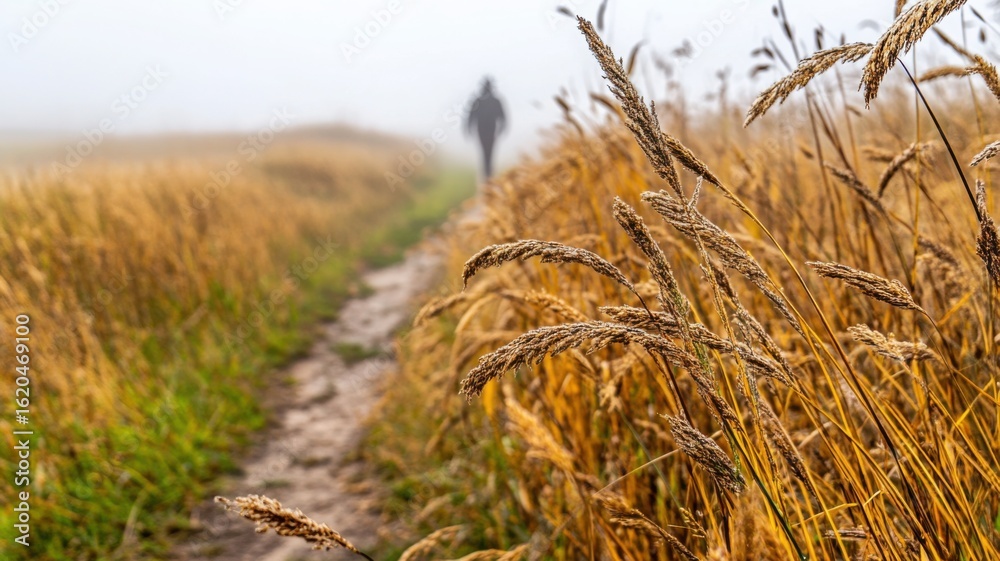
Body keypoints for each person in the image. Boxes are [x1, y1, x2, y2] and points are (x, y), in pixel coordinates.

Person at [465, 77, 506, 180]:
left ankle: (488, 174)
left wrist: (468, 128)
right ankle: (487, 174)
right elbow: (471, 116)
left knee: (487, 151)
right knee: (487, 151)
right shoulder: (490, 101)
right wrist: (468, 128)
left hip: (488, 130)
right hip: (486, 130)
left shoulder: (482, 101)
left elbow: (503, 118)